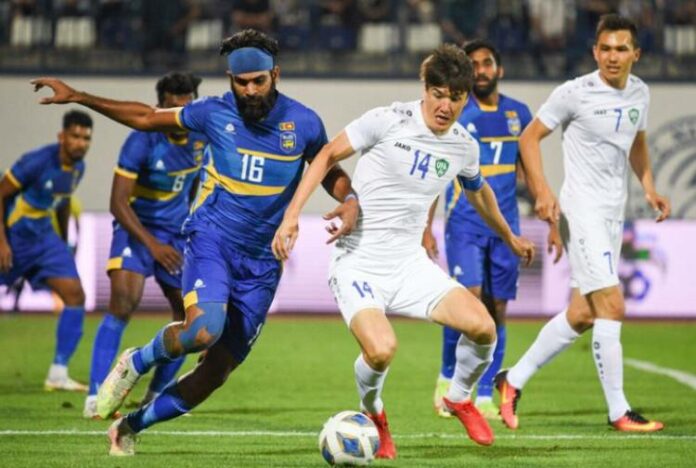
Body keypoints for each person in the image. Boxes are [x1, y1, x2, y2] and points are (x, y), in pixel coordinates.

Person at [32, 28, 357, 456]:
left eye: (258, 80)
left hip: (262, 262)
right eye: (241, 83)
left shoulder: (304, 122)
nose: (250, 90)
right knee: (203, 331)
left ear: (275, 74)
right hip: (212, 240)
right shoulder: (212, 113)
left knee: (215, 373)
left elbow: (327, 170)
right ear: (229, 79)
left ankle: (129, 427)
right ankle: (137, 360)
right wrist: (79, 95)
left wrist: (349, 198)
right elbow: (147, 117)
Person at [272, 44, 536, 459]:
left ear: (466, 98)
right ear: (425, 88)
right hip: (358, 261)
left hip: (410, 265)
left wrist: (509, 236)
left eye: (456, 96)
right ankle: (373, 411)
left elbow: (479, 191)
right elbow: (325, 155)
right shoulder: (387, 120)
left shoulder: (463, 145)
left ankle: (460, 398)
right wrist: (292, 216)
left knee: (483, 326)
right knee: (381, 349)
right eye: (439, 93)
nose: (445, 105)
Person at [495, 14, 669, 433]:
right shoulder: (574, 92)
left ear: (636, 54)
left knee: (582, 313)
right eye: (605, 49)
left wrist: (649, 187)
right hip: (582, 211)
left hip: (613, 212)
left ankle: (511, 380)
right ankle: (619, 411)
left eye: (621, 49)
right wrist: (541, 190)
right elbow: (528, 138)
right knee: (612, 305)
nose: (612, 56)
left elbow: (638, 142)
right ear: (595, 52)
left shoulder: (640, 93)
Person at [82, 72, 207, 419]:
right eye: (174, 99)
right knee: (123, 303)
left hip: (175, 235)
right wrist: (152, 246)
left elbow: (196, 183)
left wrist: (191, 223)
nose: (181, 105)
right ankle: (96, 397)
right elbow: (118, 203)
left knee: (188, 317)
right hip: (137, 230)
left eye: (188, 98)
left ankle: (156, 393)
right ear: (161, 103)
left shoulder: (201, 137)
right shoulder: (141, 141)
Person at [426, 39, 535, 420]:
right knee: (467, 301)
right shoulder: (456, 115)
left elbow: (530, 167)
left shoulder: (519, 114)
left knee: (497, 309)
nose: (482, 70)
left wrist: (547, 212)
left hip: (506, 226)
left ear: (499, 70)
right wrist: (427, 227)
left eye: (488, 63)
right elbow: (437, 173)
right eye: (475, 65)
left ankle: (485, 392)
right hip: (465, 224)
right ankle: (447, 377)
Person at [0, 109, 93, 392]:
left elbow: (63, 202)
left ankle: (58, 372)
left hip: (45, 240)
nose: (81, 143)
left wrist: (64, 244)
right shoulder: (36, 162)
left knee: (75, 296)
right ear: (61, 137)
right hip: (14, 237)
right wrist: (2, 243)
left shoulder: (78, 168)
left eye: (86, 138)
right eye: (75, 136)